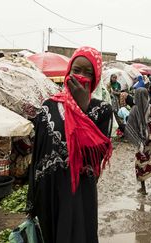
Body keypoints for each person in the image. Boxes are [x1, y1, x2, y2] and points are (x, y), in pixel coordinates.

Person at [27, 46, 113, 243]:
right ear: (68, 71)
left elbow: (94, 158)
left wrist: (82, 110)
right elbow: (37, 155)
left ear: (96, 78)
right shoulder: (48, 106)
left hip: (78, 193)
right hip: (48, 192)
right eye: (76, 70)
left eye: (88, 72)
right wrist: (33, 199)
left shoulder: (102, 110)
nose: (81, 76)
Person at [125, 87, 151, 195]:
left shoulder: (134, 110)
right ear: (147, 95)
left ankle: (144, 187)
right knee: (148, 157)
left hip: (140, 139)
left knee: (140, 161)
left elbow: (129, 126)